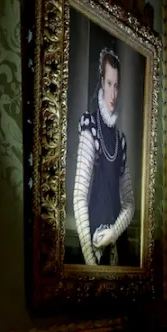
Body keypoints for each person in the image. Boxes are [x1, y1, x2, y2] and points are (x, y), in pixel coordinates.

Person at [73, 47, 134, 266]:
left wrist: (114, 234)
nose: (113, 94)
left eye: (117, 86)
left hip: (118, 242)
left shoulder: (121, 139)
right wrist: (90, 260)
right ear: (102, 81)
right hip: (93, 242)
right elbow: (79, 196)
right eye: (109, 84)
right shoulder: (90, 126)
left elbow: (129, 203)